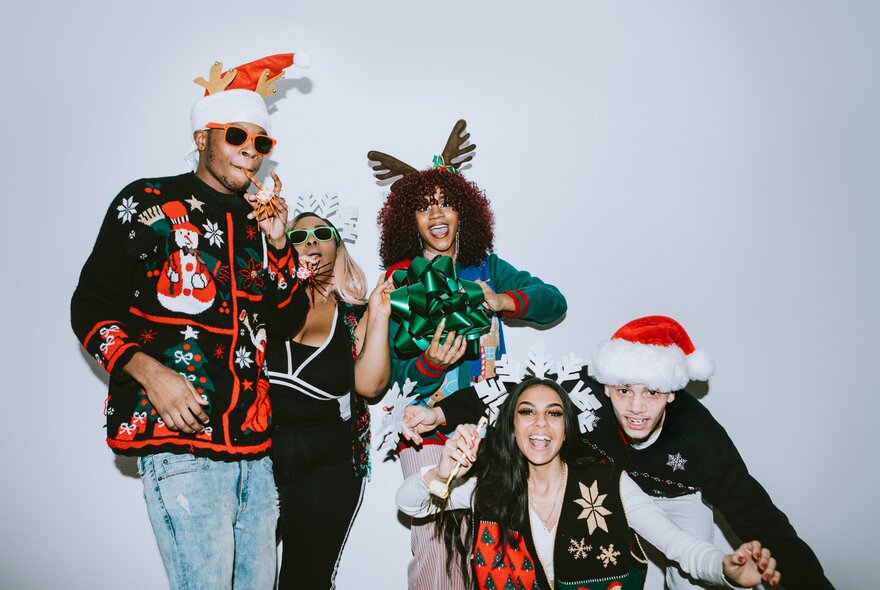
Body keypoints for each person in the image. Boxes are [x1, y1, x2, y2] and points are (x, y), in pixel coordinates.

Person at [70, 53, 309, 589]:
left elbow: (288, 321)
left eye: (261, 142)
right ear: (203, 137)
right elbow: (90, 305)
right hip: (182, 446)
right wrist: (150, 373)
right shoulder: (146, 201)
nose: (250, 150)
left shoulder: (260, 224)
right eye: (236, 136)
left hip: (255, 453)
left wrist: (278, 246)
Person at [407, 316, 832, 589]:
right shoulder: (581, 395)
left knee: (691, 575)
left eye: (652, 393)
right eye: (624, 391)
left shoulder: (701, 441)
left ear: (672, 394)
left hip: (675, 500)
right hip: (605, 492)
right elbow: (515, 389)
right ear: (606, 386)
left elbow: (761, 519)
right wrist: (440, 413)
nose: (636, 407)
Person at [369, 119, 568, 589]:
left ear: (464, 211)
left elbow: (554, 303)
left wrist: (503, 300)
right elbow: (391, 375)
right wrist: (429, 366)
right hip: (427, 431)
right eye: (423, 207)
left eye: (447, 202)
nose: (436, 214)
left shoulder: (488, 269)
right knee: (436, 550)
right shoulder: (400, 281)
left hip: (489, 427)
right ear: (409, 221)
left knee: (491, 549)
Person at [397, 378, 782, 589]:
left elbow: (680, 546)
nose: (540, 424)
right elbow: (409, 503)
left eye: (554, 414)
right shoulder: (492, 489)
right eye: (527, 412)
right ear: (512, 428)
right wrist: (440, 474)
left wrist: (726, 569)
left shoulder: (609, 485)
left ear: (567, 428)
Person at [265, 212, 393, 588]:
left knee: (306, 580)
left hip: (330, 463)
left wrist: (378, 314)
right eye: (298, 235)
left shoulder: (354, 315)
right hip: (259, 456)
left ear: (337, 247)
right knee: (244, 573)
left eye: (321, 233)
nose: (310, 241)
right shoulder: (261, 306)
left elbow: (370, 386)